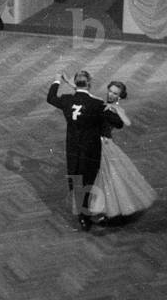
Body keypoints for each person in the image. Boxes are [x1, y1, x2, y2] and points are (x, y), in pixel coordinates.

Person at [60, 79, 156, 220]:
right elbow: (86, 94)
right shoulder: (99, 103)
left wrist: (117, 109)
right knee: (93, 177)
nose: (111, 95)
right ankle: (91, 209)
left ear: (119, 96)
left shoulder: (115, 108)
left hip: (104, 145)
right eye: (110, 91)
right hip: (92, 144)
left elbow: (127, 123)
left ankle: (100, 209)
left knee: (105, 178)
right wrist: (70, 83)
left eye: (115, 93)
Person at [46, 68, 122, 231]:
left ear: (77, 83)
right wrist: (110, 110)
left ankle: (83, 216)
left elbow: (51, 97)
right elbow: (118, 123)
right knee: (90, 180)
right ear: (90, 84)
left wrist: (58, 80)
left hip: (73, 148)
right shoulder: (96, 104)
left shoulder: (67, 100)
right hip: (91, 149)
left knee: (77, 179)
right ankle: (90, 213)